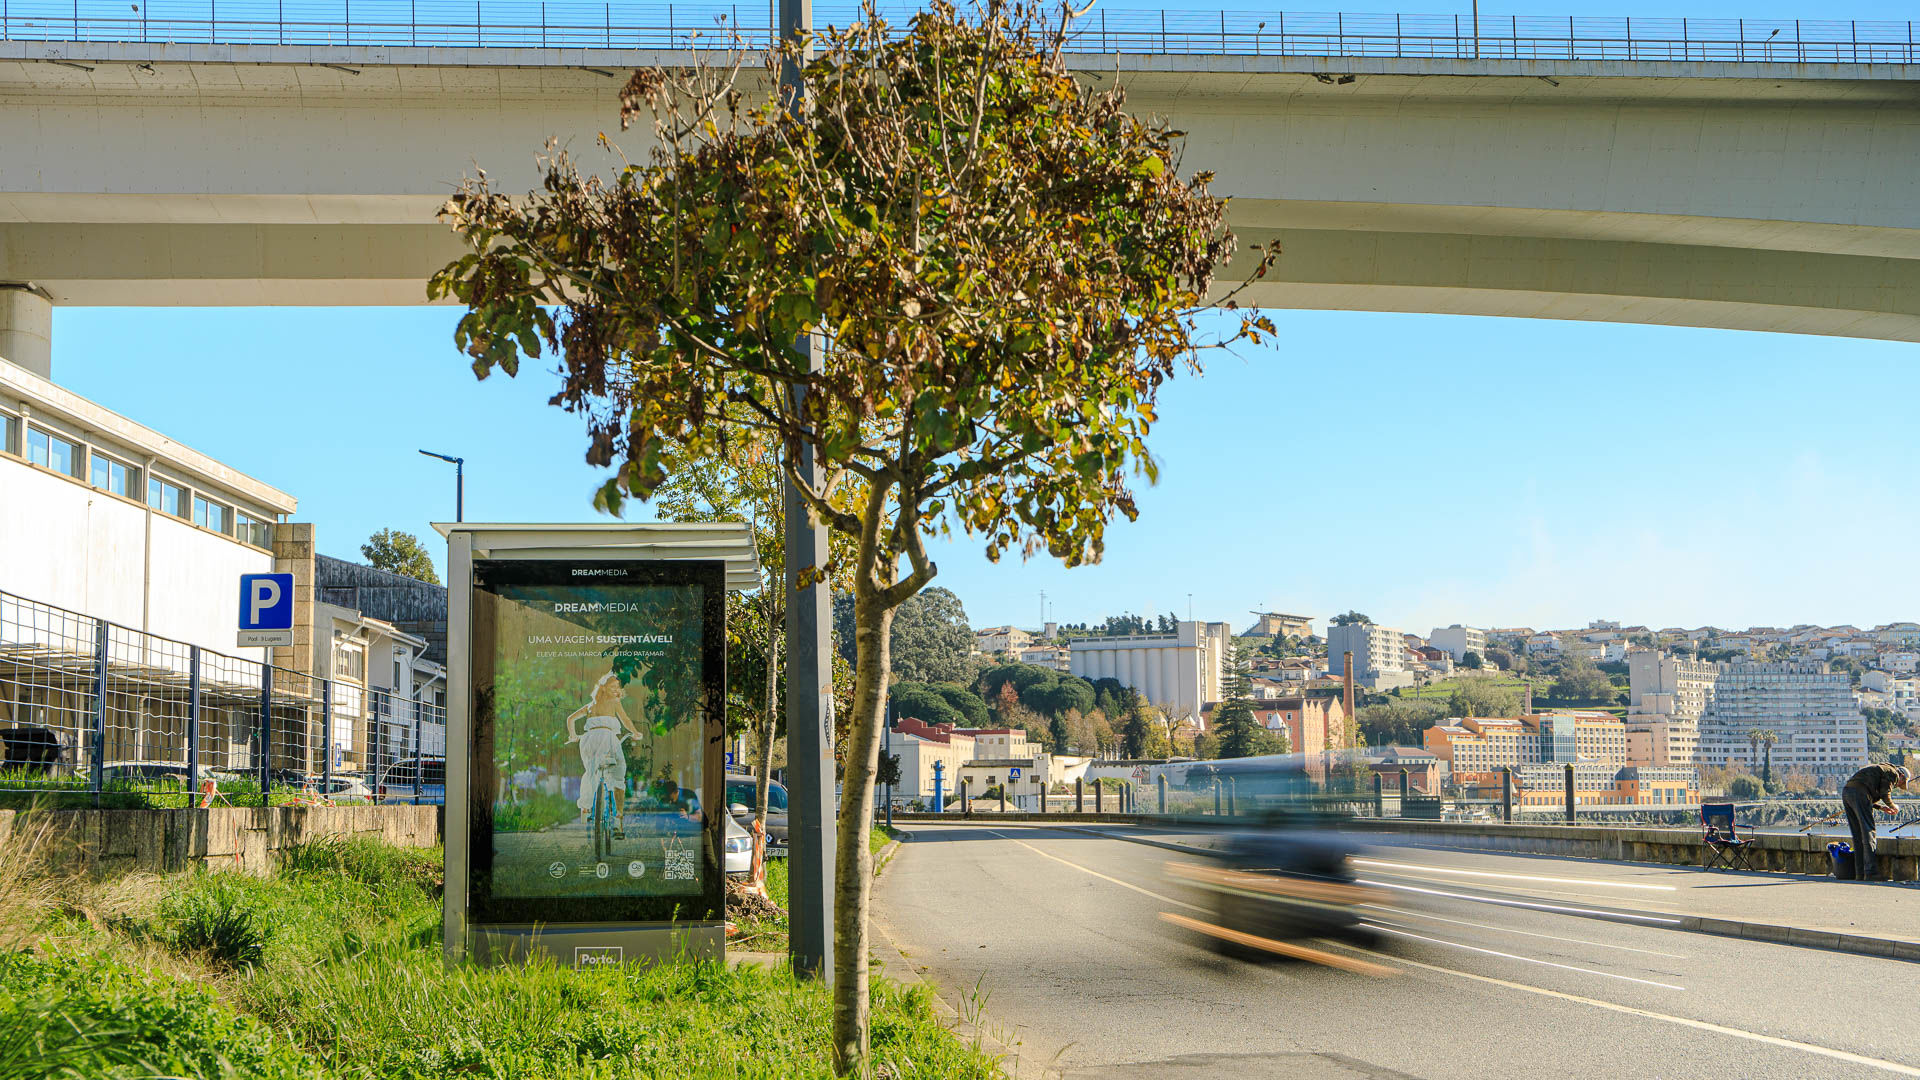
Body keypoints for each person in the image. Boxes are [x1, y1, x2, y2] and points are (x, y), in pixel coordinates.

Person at [565, 671, 647, 835]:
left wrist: (573, 736)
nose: (616, 689)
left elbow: (570, 719)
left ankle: (586, 808)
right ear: (604, 687)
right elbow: (625, 720)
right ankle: (618, 819)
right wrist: (635, 732)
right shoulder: (614, 702)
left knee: (590, 772)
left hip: (588, 741)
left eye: (617, 686)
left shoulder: (590, 706)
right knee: (618, 775)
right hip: (608, 740)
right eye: (613, 686)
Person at [1841, 762, 1909, 881]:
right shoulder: (1893, 773)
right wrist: (1893, 806)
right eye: (1901, 783)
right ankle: (1870, 872)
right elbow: (1885, 793)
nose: (1897, 785)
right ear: (1902, 776)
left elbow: (1866, 791)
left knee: (1858, 835)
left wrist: (1881, 807)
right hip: (1859, 793)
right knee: (1869, 833)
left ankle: (1860, 873)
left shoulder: (1881, 769)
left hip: (1847, 792)